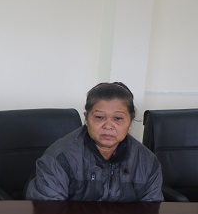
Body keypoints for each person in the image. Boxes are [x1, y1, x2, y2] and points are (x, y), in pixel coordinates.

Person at [26, 82, 163, 202]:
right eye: (99, 117)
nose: (108, 126)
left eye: (118, 118)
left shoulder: (147, 162)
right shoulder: (59, 158)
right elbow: (48, 213)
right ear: (86, 117)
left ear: (130, 120)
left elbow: (149, 213)